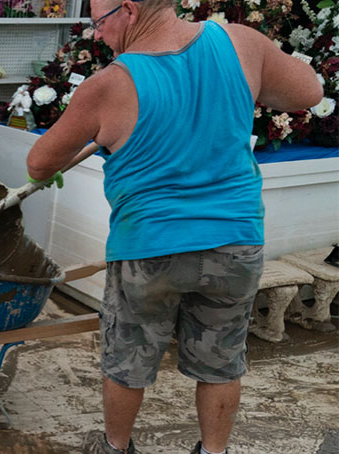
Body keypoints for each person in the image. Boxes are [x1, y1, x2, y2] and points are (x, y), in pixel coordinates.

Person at [23, 0, 323, 453]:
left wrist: (62, 161)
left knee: (128, 357)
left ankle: (116, 447)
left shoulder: (111, 83)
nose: (98, 35)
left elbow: (40, 163)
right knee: (222, 361)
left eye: (99, 23)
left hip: (150, 246)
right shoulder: (239, 42)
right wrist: (244, 86)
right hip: (233, 242)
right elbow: (309, 93)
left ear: (127, 11)